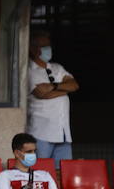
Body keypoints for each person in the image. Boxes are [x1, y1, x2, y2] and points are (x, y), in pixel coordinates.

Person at [25, 28, 77, 166]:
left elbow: (74, 85)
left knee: (63, 173)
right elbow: (41, 94)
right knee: (40, 171)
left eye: (49, 46)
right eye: (44, 46)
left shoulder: (57, 68)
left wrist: (52, 86)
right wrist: (64, 89)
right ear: (33, 49)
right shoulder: (29, 70)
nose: (48, 49)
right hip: (41, 132)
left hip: (63, 131)